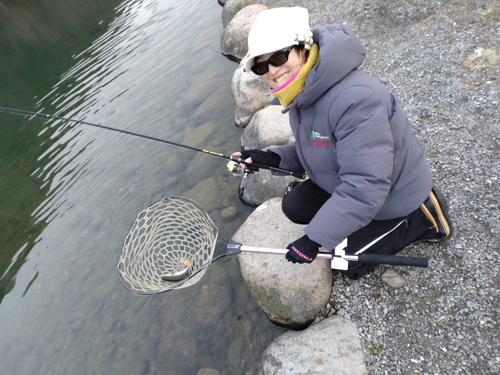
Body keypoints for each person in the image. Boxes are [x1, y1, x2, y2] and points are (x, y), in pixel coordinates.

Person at [233, 7, 453, 280]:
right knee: (294, 207)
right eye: (261, 66)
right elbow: (320, 147)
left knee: (345, 265)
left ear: (303, 47)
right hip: (353, 178)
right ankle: (353, 221)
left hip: (393, 192)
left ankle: (424, 217)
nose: (272, 71)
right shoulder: (302, 91)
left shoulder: (355, 99)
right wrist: (274, 158)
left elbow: (366, 185)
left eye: (279, 56)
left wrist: (313, 240)